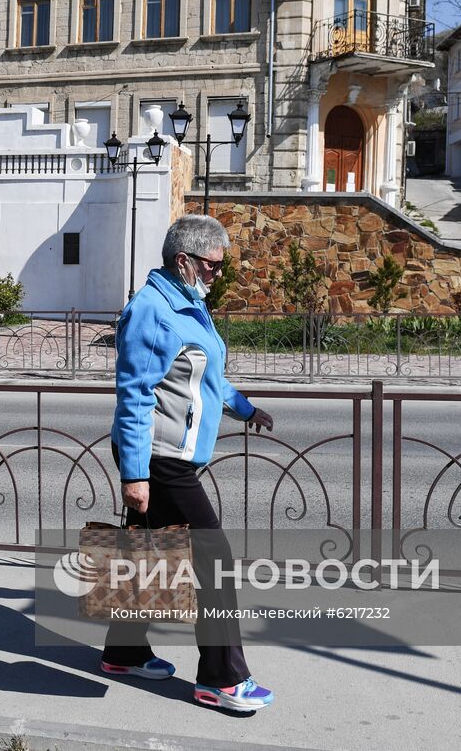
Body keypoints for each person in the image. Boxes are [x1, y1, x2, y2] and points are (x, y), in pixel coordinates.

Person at [100, 214, 275, 713]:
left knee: (142, 554)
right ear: (185, 261)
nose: (220, 273)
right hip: (158, 459)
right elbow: (133, 396)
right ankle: (221, 680)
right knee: (214, 562)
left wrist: (246, 409)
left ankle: (124, 651)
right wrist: (135, 475)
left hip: (168, 456)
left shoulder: (187, 304)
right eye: (214, 265)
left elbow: (205, 378)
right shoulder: (153, 311)